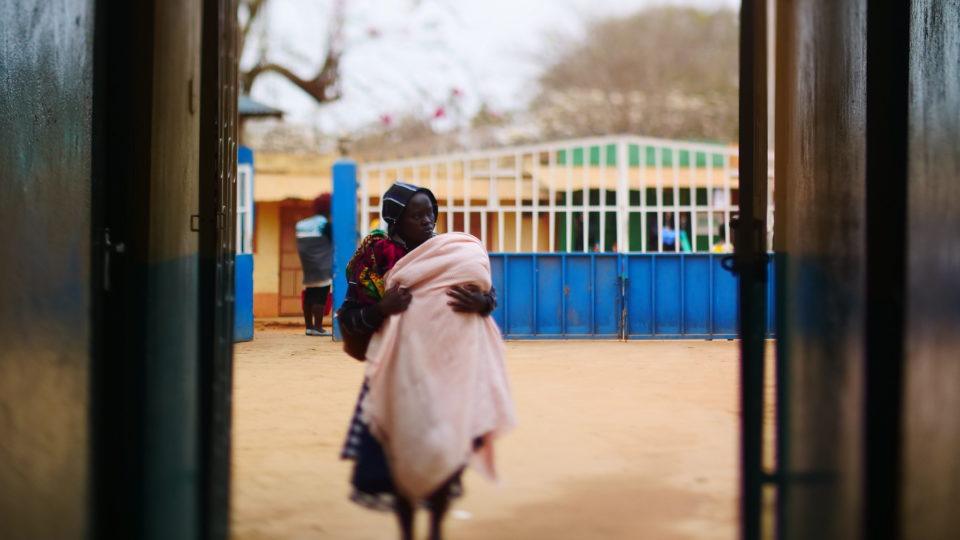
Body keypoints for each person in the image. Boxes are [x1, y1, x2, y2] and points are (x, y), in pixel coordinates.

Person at [337, 181, 509, 540]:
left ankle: (434, 531)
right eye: (416, 216)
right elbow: (350, 318)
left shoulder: (450, 252)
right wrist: (383, 308)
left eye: (430, 212)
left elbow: (484, 291)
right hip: (399, 374)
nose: (427, 221)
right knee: (396, 460)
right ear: (396, 221)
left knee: (447, 452)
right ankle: (407, 532)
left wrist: (484, 304)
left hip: (448, 373)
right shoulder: (374, 259)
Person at [295, 193, 333, 336]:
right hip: (323, 264)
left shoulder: (302, 224)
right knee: (321, 296)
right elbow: (334, 241)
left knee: (309, 295)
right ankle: (318, 328)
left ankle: (309, 327)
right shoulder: (325, 224)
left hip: (308, 265)